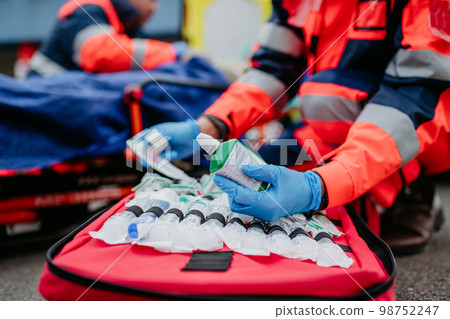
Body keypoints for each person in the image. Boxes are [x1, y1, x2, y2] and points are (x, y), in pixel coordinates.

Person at [132, 0, 450, 254]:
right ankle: (350, 185)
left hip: (423, 127)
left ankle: (411, 192)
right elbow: (273, 68)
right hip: (341, 127)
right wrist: (208, 126)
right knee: (268, 160)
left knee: (328, 103)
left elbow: (416, 98)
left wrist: (320, 187)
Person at [28, 0, 187, 76]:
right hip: (43, 100)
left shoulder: (125, 24)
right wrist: (173, 54)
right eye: (152, 0)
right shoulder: (88, 9)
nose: (155, 8)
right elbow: (102, 54)